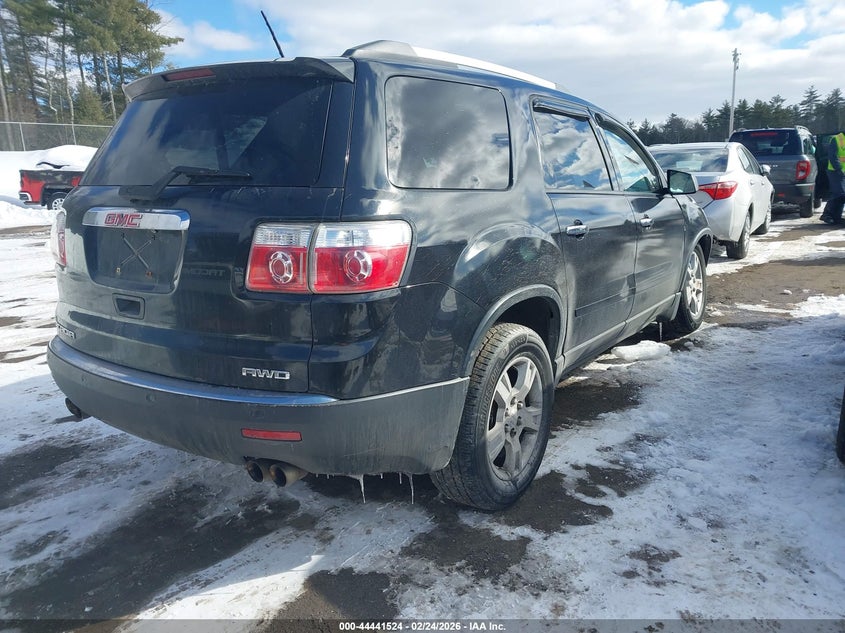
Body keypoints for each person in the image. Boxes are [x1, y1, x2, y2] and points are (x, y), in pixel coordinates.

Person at [820, 132, 845, 224]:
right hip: (835, 171)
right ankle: (827, 214)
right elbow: (832, 156)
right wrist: (839, 169)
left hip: (842, 171)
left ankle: (835, 216)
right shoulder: (837, 139)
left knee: (841, 194)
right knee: (839, 193)